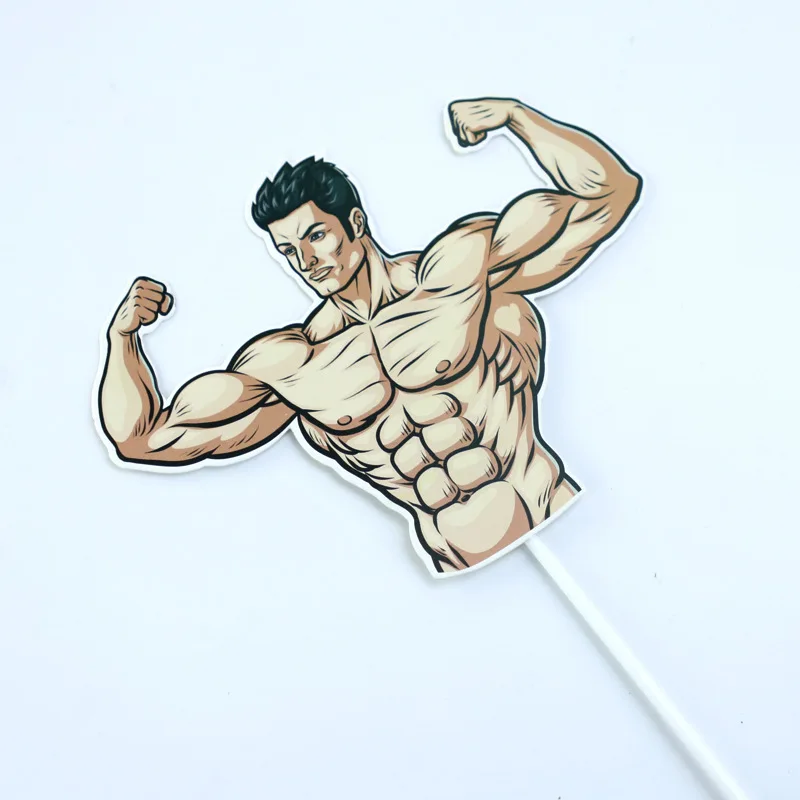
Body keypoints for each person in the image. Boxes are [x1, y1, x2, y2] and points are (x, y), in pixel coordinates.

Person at [97, 97, 642, 574]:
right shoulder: (290, 364)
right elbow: (141, 439)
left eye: (316, 235)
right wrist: (122, 338)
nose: (306, 260)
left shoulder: (455, 274)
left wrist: (516, 117)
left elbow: (609, 194)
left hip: (562, 521)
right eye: (288, 250)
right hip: (458, 570)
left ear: (355, 223)